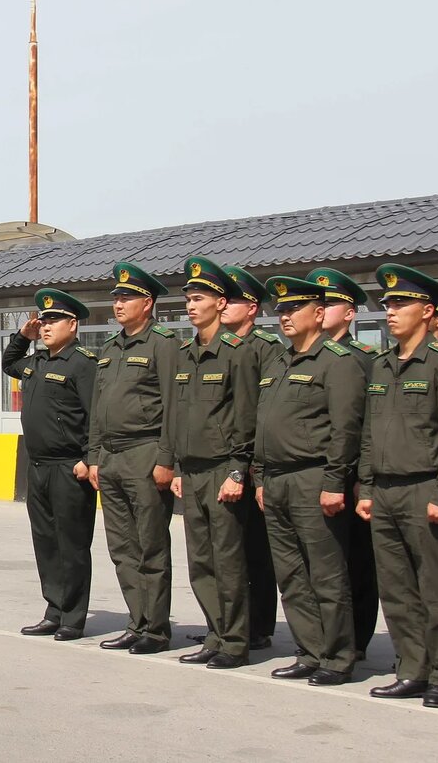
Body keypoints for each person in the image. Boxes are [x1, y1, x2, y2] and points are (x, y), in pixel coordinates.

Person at [252, 277, 365, 686]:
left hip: (313, 477)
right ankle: (309, 649)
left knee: (326, 574)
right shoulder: (278, 361)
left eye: (291, 310)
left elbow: (345, 430)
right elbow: (263, 424)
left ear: (318, 314)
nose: (283, 317)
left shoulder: (337, 361)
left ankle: (337, 657)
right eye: (280, 310)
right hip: (276, 479)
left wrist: (335, 482)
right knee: (291, 574)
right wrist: (261, 477)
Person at [357, 264, 438, 709]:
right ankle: (412, 668)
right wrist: (364, 488)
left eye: (401, 303)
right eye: (388, 304)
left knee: (437, 589)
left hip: (426, 487)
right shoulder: (381, 365)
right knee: (396, 589)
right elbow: (368, 432)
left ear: (430, 311)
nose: (391, 311)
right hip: (384, 490)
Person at [87, 262, 179, 655]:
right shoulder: (110, 348)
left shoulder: (164, 343)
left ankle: (155, 629)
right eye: (117, 298)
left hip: (145, 453)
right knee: (122, 547)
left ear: (148, 302)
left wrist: (166, 459)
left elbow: (175, 407)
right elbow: (98, 408)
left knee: (151, 545)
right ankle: (135, 621)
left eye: (127, 297)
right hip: (110, 458)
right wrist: (93, 457)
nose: (119, 304)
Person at [171, 256, 258, 669]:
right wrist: (174, 467)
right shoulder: (185, 354)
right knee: (200, 560)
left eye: (200, 297)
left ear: (221, 304)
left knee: (227, 560)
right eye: (188, 297)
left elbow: (246, 418)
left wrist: (238, 471)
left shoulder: (237, 353)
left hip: (223, 469)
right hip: (191, 470)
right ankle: (215, 633)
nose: (191, 304)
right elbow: (177, 416)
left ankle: (236, 642)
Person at [2, 288, 98, 641]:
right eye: (42, 321)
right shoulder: (37, 361)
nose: (45, 326)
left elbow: (94, 415)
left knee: (71, 543)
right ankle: (53, 610)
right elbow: (9, 364)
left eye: (53, 320)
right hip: (39, 466)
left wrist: (89, 459)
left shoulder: (82, 363)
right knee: (45, 542)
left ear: (72, 325)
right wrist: (21, 337)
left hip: (69, 467)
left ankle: (73, 616)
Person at [305, 267, 379, 660]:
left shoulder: (364, 359)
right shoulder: (301, 356)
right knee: (320, 565)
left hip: (351, 476)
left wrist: (362, 480)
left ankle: (358, 640)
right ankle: (324, 639)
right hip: (318, 476)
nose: (322, 309)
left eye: (330, 303)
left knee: (358, 563)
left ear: (350, 313)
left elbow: (366, 423)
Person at [221, 264, 281, 651]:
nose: (225, 307)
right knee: (228, 552)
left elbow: (264, 410)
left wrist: (251, 469)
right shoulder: (220, 347)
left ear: (253, 307)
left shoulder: (266, 348)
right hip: (222, 460)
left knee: (256, 550)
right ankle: (230, 624)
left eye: (234, 300)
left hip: (253, 462)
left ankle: (259, 625)